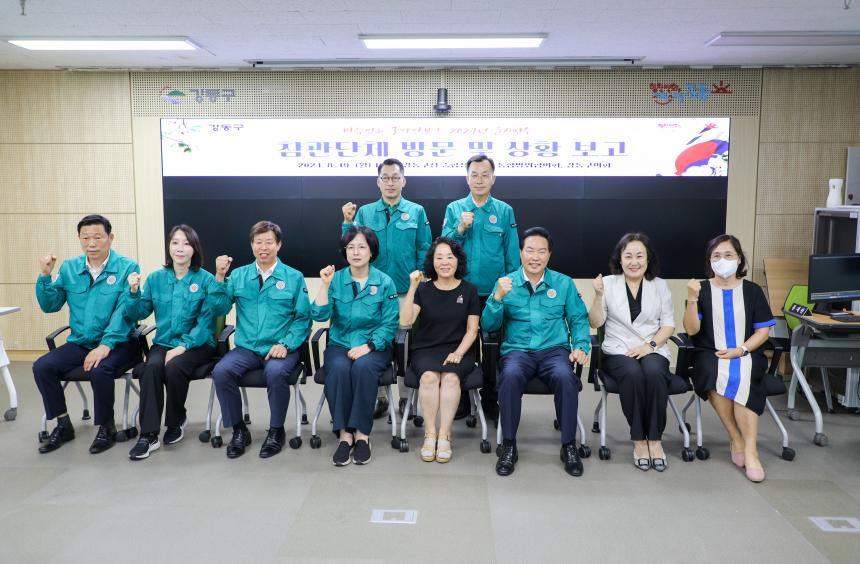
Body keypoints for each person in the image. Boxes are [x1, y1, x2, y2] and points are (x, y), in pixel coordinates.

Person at [481, 227, 590, 477]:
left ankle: (568, 445)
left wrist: (581, 346)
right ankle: (509, 444)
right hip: (518, 351)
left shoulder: (563, 283)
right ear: (520, 253)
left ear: (549, 255)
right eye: (530, 250)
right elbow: (488, 325)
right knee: (509, 376)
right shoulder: (505, 283)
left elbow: (578, 319)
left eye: (541, 251)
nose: (535, 257)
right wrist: (497, 298)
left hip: (554, 351)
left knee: (566, 378)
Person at [33, 214, 140, 454]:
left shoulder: (127, 267)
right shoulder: (70, 268)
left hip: (119, 343)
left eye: (98, 237)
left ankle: (106, 427)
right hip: (81, 342)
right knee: (42, 366)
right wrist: (45, 276)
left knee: (100, 369)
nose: (91, 243)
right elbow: (50, 305)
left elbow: (124, 313)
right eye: (85, 238)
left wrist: (105, 345)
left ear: (110, 238)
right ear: (79, 239)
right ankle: (63, 423)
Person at [209, 221, 312, 459]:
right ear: (251, 245)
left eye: (268, 242)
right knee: (221, 371)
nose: (263, 247)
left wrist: (286, 344)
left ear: (279, 245)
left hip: (281, 347)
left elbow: (303, 319)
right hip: (247, 348)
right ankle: (238, 430)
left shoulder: (293, 277)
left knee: (275, 373)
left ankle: (276, 431)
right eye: (258, 242)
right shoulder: (238, 275)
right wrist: (220, 276)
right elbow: (219, 308)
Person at [342, 158, 432, 417]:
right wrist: (347, 222)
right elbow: (352, 245)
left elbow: (424, 248)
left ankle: (405, 398)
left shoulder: (416, 211)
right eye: (385, 177)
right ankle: (380, 397)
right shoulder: (365, 212)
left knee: (405, 345)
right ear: (378, 181)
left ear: (404, 181)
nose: (390, 182)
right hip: (374, 291)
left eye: (395, 177)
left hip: (406, 291)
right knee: (375, 342)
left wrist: (421, 281)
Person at [683, 234, 775, 483]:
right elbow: (691, 329)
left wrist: (741, 350)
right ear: (709, 261)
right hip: (709, 352)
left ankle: (751, 450)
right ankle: (736, 438)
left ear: (739, 259)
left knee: (743, 375)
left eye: (728, 255)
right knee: (714, 373)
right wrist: (691, 298)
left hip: (746, 351)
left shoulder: (752, 291)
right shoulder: (701, 290)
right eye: (716, 256)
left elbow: (763, 332)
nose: (722, 260)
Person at [124, 225, 218, 460]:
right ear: (169, 247)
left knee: (174, 366)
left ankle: (176, 421)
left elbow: (206, 323)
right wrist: (133, 291)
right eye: (175, 242)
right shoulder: (156, 279)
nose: (180, 248)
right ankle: (148, 435)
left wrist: (182, 347)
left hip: (197, 344)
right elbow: (138, 312)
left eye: (186, 243)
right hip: (164, 342)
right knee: (151, 367)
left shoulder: (206, 280)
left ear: (194, 249)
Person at [312, 226, 399, 467]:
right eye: (350, 247)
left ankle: (362, 435)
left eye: (362, 247)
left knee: (362, 367)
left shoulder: (385, 282)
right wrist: (324, 285)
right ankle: (344, 435)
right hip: (340, 343)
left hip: (374, 346)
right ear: (345, 251)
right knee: (339, 369)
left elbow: (390, 323)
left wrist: (369, 346)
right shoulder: (336, 279)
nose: (356, 252)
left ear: (372, 252)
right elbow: (319, 315)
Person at [588, 233, 675, 472]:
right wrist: (597, 295)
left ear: (648, 259)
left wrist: (650, 346)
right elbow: (595, 322)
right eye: (628, 256)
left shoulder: (660, 285)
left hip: (652, 347)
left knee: (654, 373)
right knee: (633, 374)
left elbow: (668, 324)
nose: (634, 262)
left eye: (639, 256)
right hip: (618, 350)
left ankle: (654, 440)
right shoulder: (608, 283)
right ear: (620, 258)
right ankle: (638, 440)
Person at [442, 154, 520, 419]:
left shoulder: (504, 211)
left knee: (491, 348)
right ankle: (462, 399)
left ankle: (490, 399)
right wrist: (460, 228)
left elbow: (512, 256)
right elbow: (444, 248)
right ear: (467, 178)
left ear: (493, 179)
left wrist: (508, 290)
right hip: (459, 291)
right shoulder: (454, 209)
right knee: (461, 344)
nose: (479, 180)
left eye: (485, 175)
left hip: (493, 294)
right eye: (474, 175)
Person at [400, 237, 480, 463]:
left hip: (459, 349)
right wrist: (412, 287)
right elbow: (405, 322)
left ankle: (445, 435)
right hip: (426, 349)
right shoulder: (423, 289)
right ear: (432, 262)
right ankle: (430, 434)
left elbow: (472, 330)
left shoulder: (469, 290)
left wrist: (459, 353)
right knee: (429, 377)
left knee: (451, 379)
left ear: (458, 261)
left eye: (450, 257)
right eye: (439, 257)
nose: (445, 262)